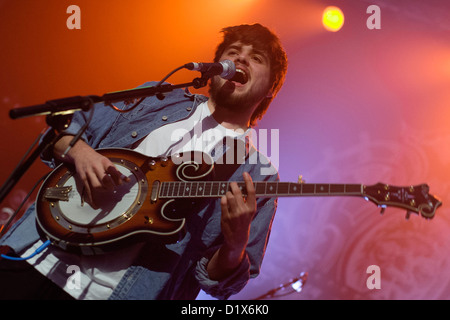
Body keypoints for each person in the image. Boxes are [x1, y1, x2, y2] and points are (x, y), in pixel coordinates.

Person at [0, 23, 288, 300]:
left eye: (256, 58)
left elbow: (222, 285)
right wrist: (81, 152)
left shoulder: (256, 172)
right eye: (233, 51)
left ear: (271, 88)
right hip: (35, 255)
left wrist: (235, 244)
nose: (240, 58)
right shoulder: (158, 98)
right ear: (214, 68)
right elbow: (58, 134)